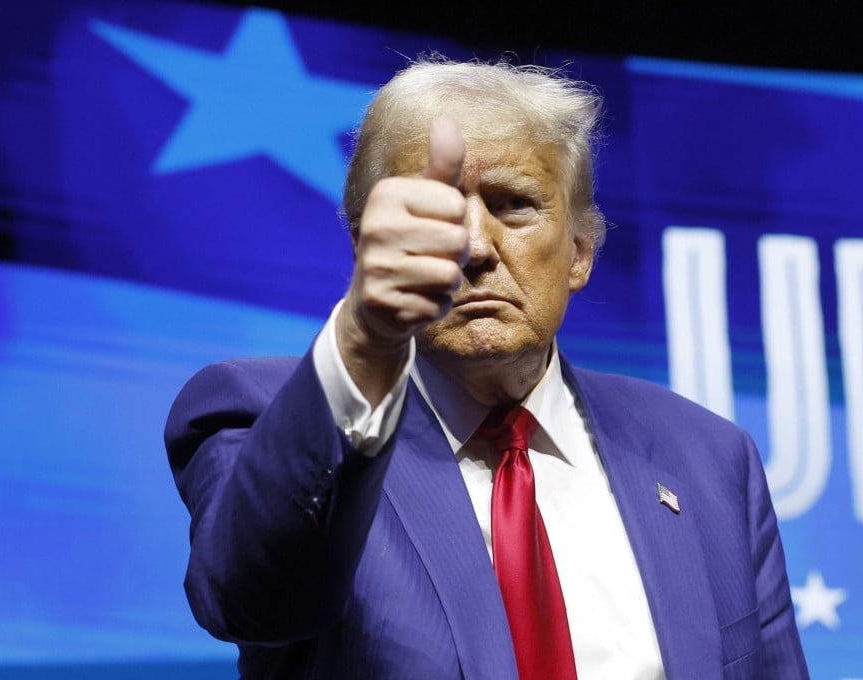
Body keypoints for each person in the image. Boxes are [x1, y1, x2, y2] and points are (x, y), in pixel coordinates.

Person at [165, 58, 809, 679]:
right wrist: (363, 338)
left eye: (513, 204)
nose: (472, 247)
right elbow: (251, 601)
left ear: (580, 252)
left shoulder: (708, 459)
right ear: (367, 247)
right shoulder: (261, 413)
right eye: (433, 213)